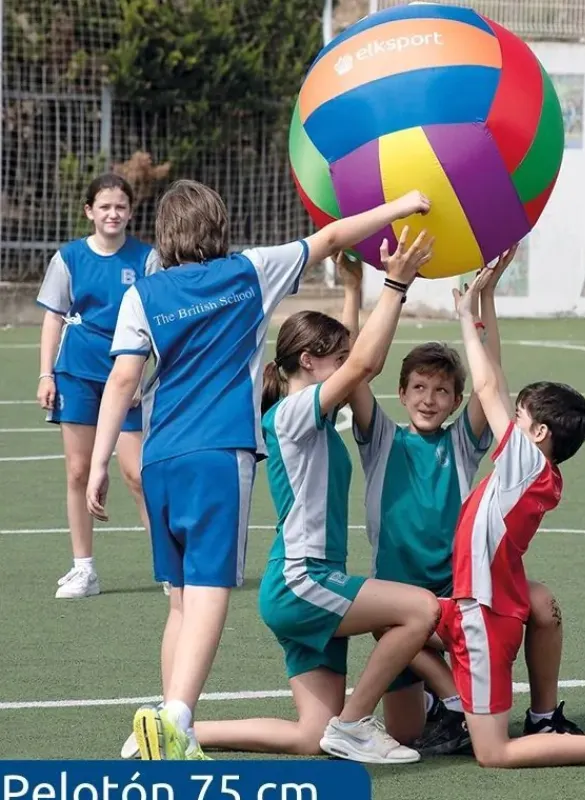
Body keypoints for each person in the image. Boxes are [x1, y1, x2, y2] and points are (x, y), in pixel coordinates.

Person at [85, 179, 433, 761]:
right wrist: (401, 205)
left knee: (177, 601)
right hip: (218, 455)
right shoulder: (249, 270)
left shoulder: (143, 293)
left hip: (158, 453)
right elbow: (332, 236)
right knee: (209, 592)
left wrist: (100, 463)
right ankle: (176, 718)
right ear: (219, 226)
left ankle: (172, 727)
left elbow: (122, 380)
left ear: (165, 238)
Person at [181, 230, 441, 765]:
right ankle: (355, 725)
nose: (348, 365)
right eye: (336, 358)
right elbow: (363, 365)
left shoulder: (309, 414)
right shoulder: (295, 415)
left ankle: (180, 732)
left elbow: (351, 360)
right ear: (308, 359)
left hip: (304, 583)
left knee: (309, 736)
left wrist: (354, 286)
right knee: (420, 610)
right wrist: (396, 284)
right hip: (304, 580)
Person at [425, 267, 585, 768]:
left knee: (493, 754)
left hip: (481, 614)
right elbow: (496, 379)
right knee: (398, 623)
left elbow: (486, 384)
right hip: (484, 602)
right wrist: (486, 301)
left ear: (537, 433)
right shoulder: (536, 468)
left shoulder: (525, 464)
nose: (510, 422)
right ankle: (460, 701)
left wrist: (462, 316)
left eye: (519, 419)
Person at [339, 249, 582, 755]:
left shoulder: (462, 441)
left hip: (461, 591)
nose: (430, 398)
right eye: (419, 388)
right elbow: (352, 369)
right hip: (406, 600)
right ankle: (447, 699)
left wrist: (484, 300)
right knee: (406, 732)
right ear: (402, 394)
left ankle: (542, 715)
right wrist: (353, 292)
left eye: (443, 390)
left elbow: (492, 375)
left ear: (455, 400)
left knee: (543, 603)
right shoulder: (381, 439)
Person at [36, 173, 159, 599]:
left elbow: (157, 318)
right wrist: (46, 374)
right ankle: (84, 569)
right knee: (78, 470)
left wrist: (145, 373)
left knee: (137, 473)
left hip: (127, 375)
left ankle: (168, 567)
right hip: (77, 373)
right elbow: (53, 316)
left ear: (130, 211)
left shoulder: (147, 258)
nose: (113, 213)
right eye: (104, 206)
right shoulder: (68, 258)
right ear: (90, 211)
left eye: (120, 206)